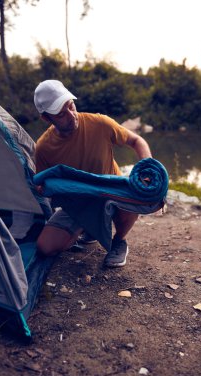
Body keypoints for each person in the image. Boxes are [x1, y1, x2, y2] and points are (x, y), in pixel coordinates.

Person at [34, 79, 152, 268]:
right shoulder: (43, 147)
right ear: (47, 118)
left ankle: (119, 240)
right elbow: (41, 184)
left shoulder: (100, 123)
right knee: (45, 247)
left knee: (137, 192)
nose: (71, 116)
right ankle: (88, 228)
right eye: (61, 114)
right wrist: (45, 188)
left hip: (112, 195)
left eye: (71, 106)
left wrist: (148, 169)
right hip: (78, 204)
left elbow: (137, 141)